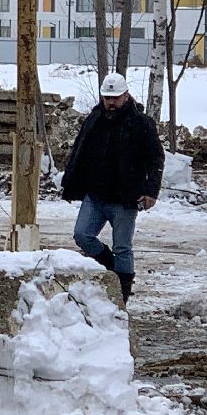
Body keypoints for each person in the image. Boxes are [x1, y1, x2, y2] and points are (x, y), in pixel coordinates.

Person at [60, 71, 165, 303]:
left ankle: (122, 296)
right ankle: (110, 267)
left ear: (126, 96)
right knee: (82, 235)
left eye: (115, 97)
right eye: (107, 97)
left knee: (123, 248)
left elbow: (156, 158)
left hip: (126, 199)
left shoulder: (142, 124)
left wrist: (151, 191)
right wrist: (70, 183)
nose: (111, 102)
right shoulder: (94, 119)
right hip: (95, 195)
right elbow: (79, 152)